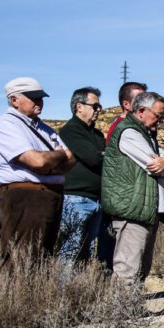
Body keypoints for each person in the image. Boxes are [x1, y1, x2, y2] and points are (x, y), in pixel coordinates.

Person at [0, 77, 75, 270]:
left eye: (40, 97)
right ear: (14, 100)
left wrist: (50, 162)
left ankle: (34, 299)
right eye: (33, 98)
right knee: (21, 260)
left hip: (50, 196)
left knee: (43, 260)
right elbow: (37, 161)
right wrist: (58, 155)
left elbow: (71, 161)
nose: (39, 102)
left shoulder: (43, 127)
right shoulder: (7, 125)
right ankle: (14, 300)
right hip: (24, 197)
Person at [102, 91, 164, 283]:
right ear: (142, 111)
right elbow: (155, 166)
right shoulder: (129, 133)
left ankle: (133, 310)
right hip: (132, 209)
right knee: (128, 271)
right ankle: (121, 312)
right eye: (158, 115)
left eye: (163, 116)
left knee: (141, 270)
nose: (161, 121)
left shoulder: (146, 135)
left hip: (144, 209)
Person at [57, 86, 106, 266]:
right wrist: (102, 155)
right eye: (95, 106)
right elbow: (94, 158)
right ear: (79, 107)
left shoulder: (97, 134)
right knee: (71, 250)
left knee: (86, 253)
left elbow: (102, 158)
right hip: (77, 199)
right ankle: (63, 292)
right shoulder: (70, 131)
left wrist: (102, 155)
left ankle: (79, 291)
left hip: (96, 200)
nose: (98, 111)